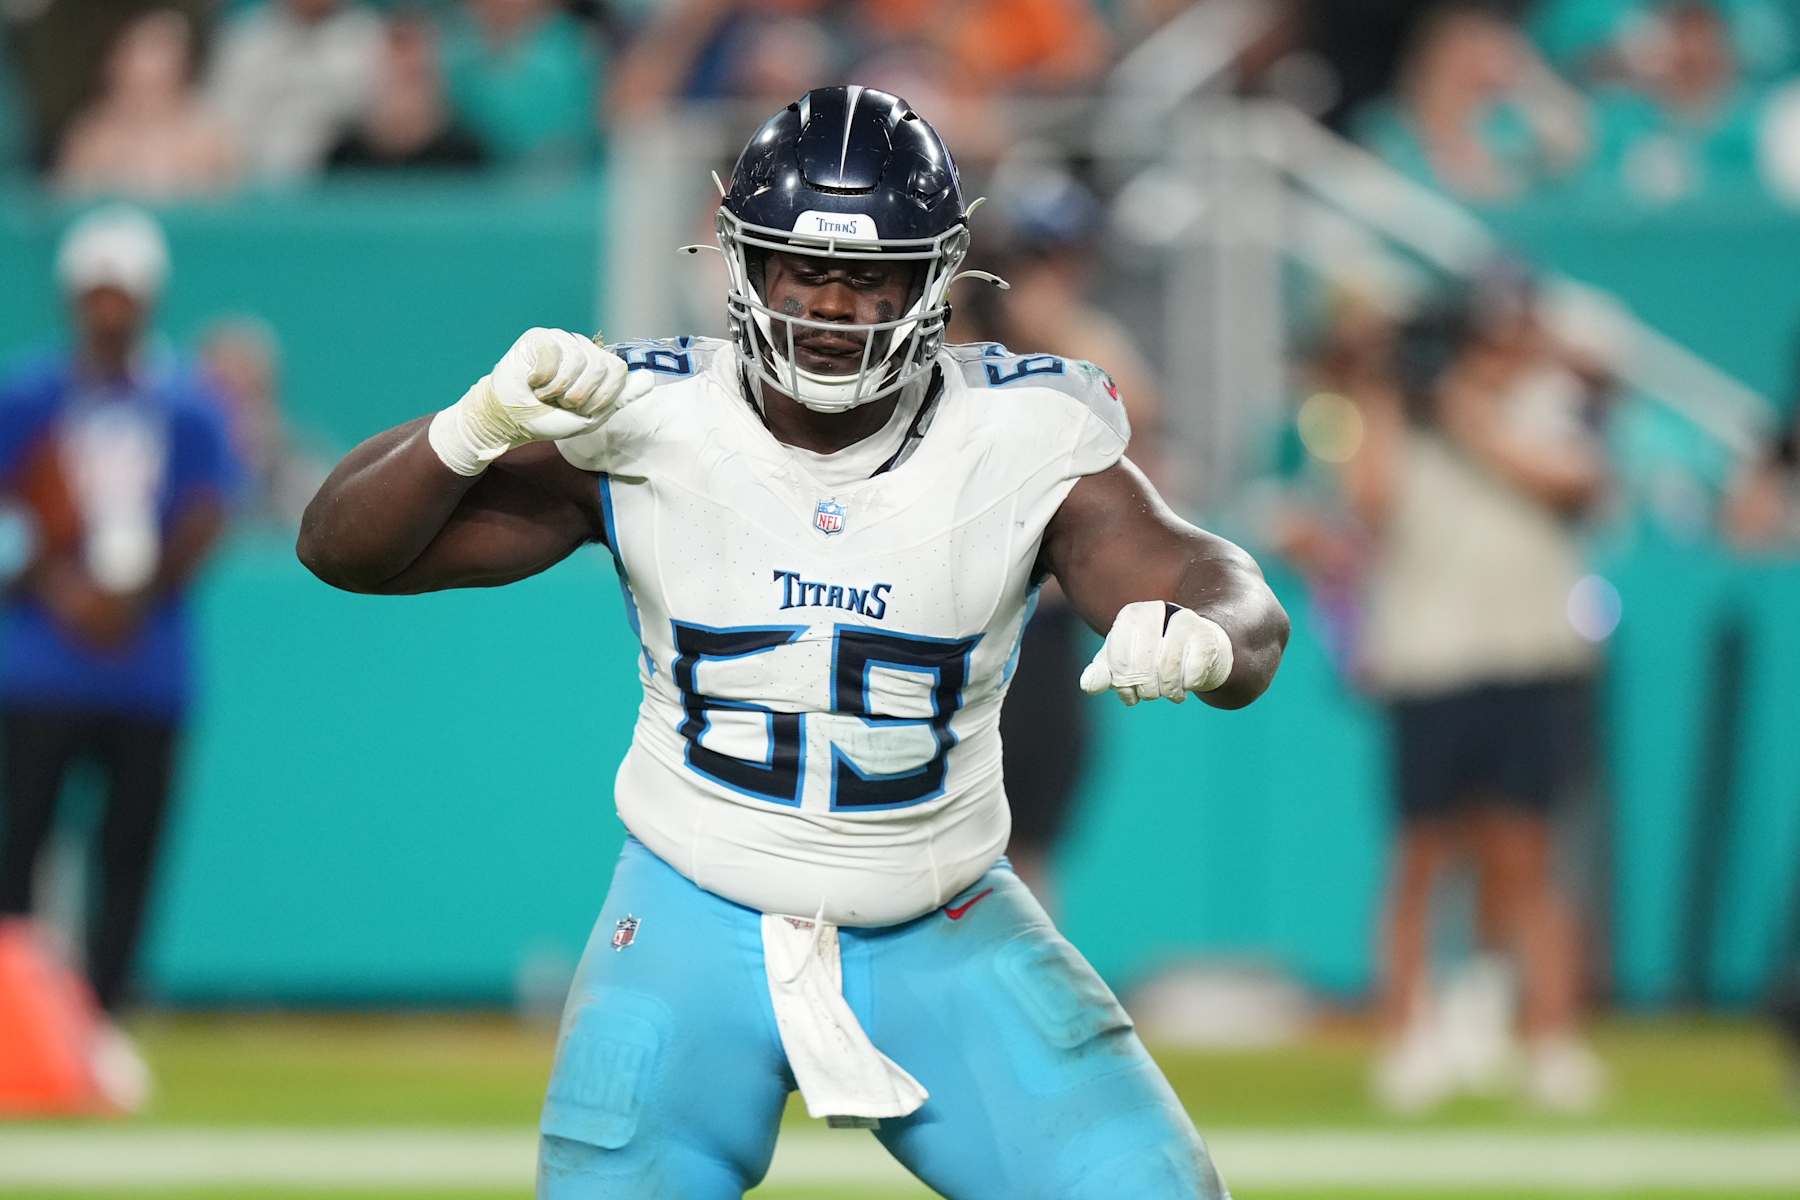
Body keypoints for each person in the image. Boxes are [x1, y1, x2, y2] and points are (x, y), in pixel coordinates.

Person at [299, 86, 1287, 1198]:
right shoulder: (645, 417)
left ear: (933, 281)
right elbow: (342, 548)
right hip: (686, 916)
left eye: (870, 276)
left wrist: (1207, 635)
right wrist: (469, 426)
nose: (829, 303)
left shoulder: (1019, 433)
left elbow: (1227, 587)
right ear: (744, 265)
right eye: (799, 267)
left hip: (941, 922)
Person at [1349, 274, 1611, 1114]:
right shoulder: (1404, 414)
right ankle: (1406, 1037)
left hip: (1529, 654)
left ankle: (1549, 1037)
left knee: (1529, 855)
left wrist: (1466, 415)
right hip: (1430, 660)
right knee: (1420, 858)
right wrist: (1385, 392)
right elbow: (1371, 504)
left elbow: (1574, 481)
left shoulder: (1548, 402)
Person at [0, 207, 238, 1062]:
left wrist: (134, 600)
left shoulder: (187, 403)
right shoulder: (27, 396)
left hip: (148, 666)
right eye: (95, 293)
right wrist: (54, 582)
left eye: (121, 294)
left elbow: (212, 512)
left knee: (128, 853)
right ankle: (17, 1023)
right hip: (39, 662)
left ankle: (101, 1020)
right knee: (19, 843)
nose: (108, 310)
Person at [53, 9, 237, 199]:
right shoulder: (89, 139)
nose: (148, 69)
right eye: (136, 51)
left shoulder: (210, 137)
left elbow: (232, 210)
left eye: (162, 50)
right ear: (115, 64)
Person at [205, 0, 383, 184]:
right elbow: (221, 125)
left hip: (344, 188)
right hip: (255, 189)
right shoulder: (245, 39)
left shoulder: (372, 37)